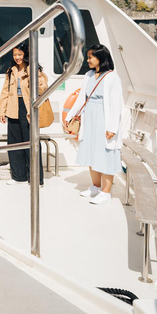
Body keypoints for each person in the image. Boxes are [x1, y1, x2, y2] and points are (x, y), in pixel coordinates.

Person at [64, 44, 123, 205]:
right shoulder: (88, 75)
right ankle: (96, 186)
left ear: (101, 58)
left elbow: (116, 106)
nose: (88, 60)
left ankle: (106, 192)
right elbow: (81, 99)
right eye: (88, 57)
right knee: (91, 152)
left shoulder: (112, 78)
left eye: (91, 57)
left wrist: (112, 128)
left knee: (106, 154)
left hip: (104, 120)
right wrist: (70, 115)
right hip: (89, 119)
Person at [0, 42, 47, 185]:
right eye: (15, 55)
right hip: (13, 108)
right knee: (14, 145)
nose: (17, 57)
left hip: (28, 110)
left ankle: (36, 178)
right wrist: (3, 110)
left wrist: (33, 73)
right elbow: (5, 92)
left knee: (31, 144)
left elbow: (42, 88)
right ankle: (18, 176)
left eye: (20, 54)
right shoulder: (11, 70)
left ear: (26, 54)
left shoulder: (33, 69)